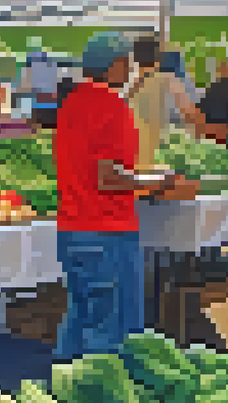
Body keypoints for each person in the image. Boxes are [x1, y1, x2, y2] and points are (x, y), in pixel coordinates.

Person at [54, 33, 190, 360]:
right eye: (127, 62)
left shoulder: (72, 103)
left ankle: (66, 394)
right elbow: (109, 176)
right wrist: (156, 179)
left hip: (72, 229)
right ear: (116, 65)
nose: (130, 68)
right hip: (108, 230)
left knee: (80, 319)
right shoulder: (112, 107)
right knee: (111, 333)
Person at [127, 36, 199, 169]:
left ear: (135, 59)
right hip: (165, 158)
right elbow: (193, 116)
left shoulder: (129, 89)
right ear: (158, 58)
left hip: (135, 158)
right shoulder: (169, 82)